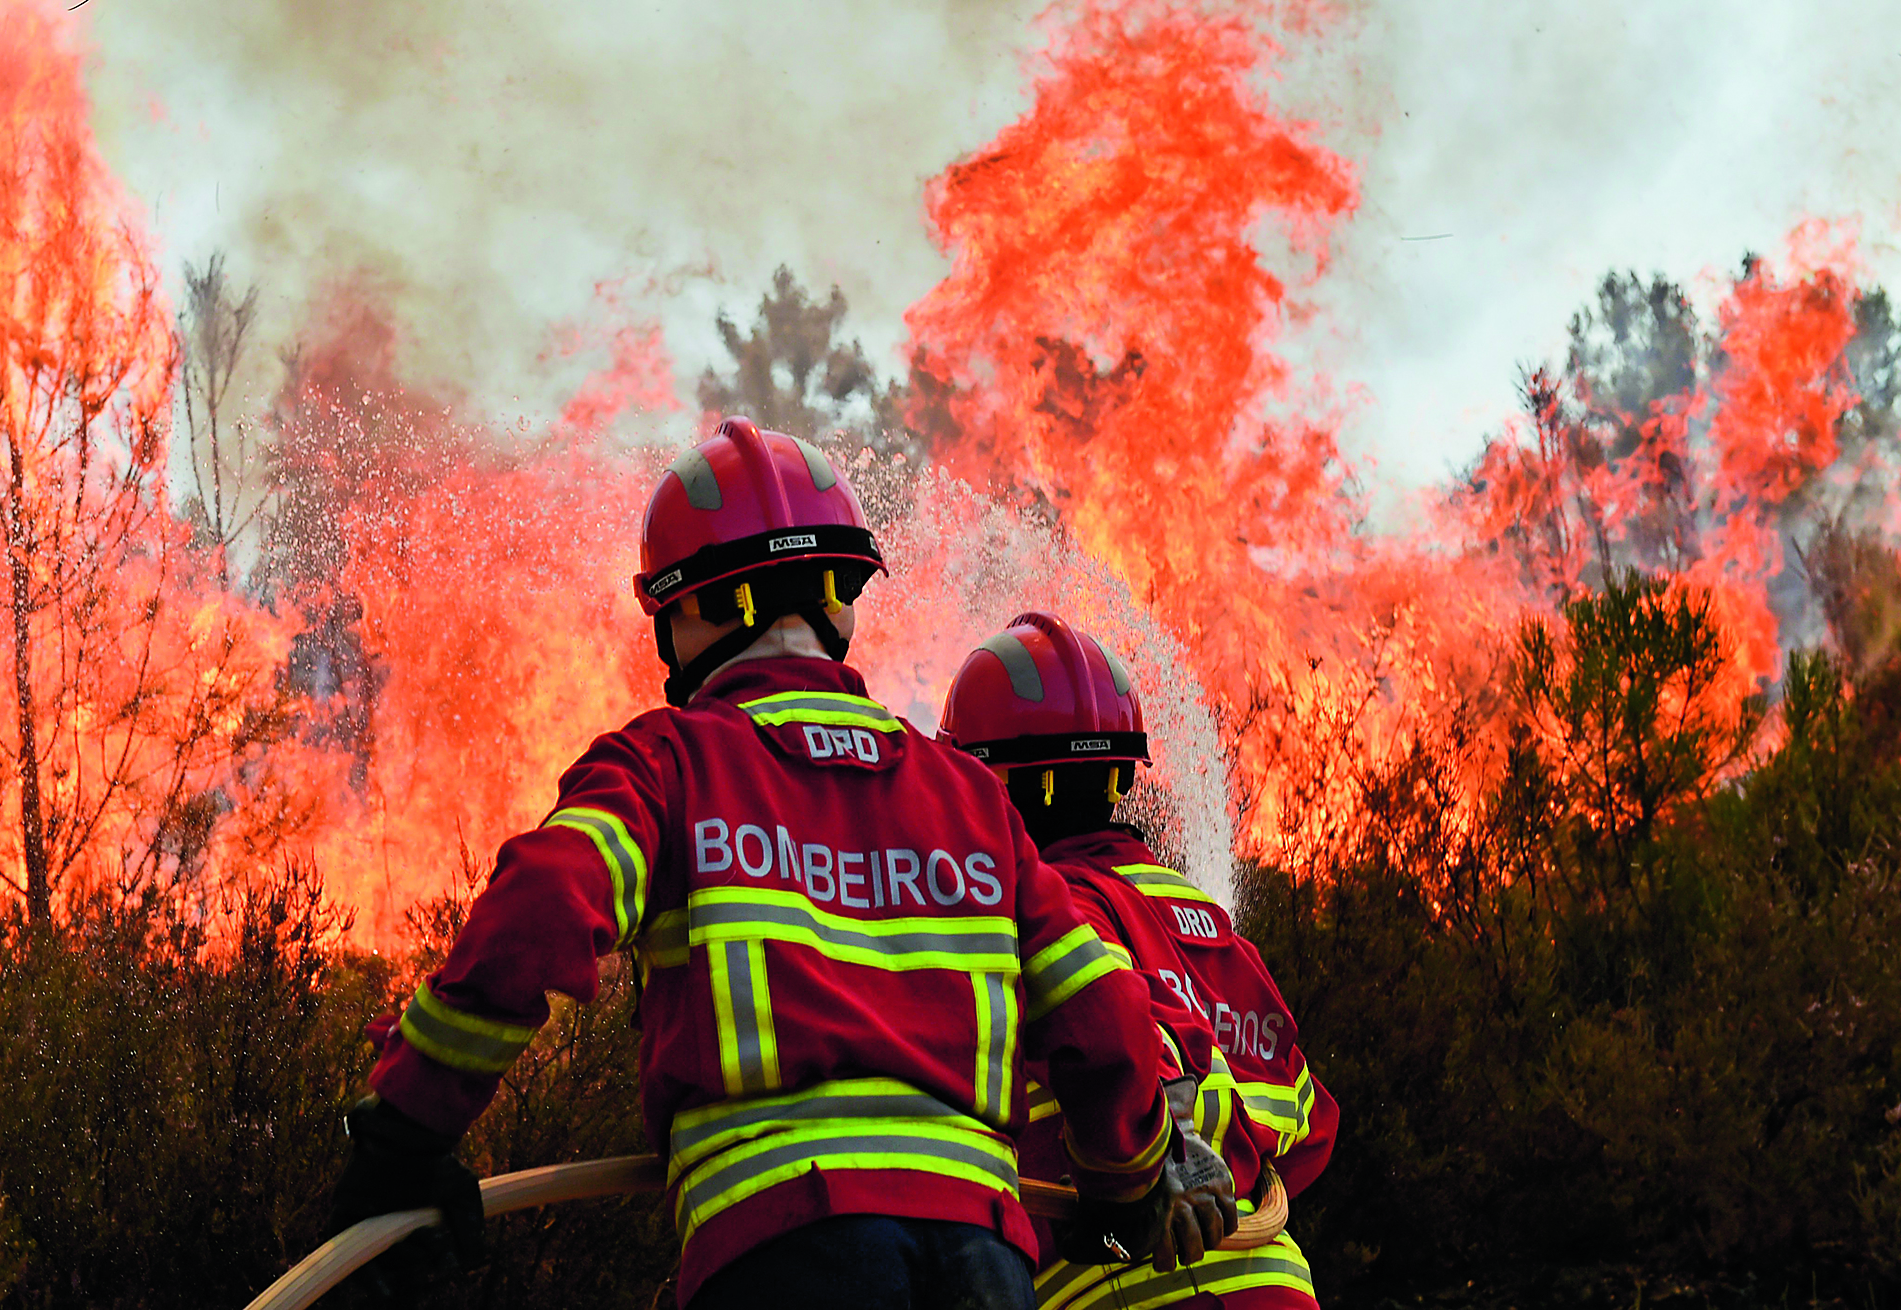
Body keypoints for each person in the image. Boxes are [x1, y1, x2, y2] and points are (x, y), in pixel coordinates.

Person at [327, 419, 1233, 1309]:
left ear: (681, 609)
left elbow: (539, 907)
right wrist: (1129, 1177)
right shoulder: (969, 797)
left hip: (780, 1250)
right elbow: (1099, 1011)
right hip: (982, 1261)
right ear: (840, 599)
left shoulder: (666, 765)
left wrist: (407, 1133)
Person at [941, 611, 1339, 1310]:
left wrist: (1168, 1148)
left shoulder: (1041, 913)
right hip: (1274, 1285)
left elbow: (1126, 1033)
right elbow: (1307, 1127)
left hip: (1130, 1287)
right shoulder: (1205, 922)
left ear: (987, 782)